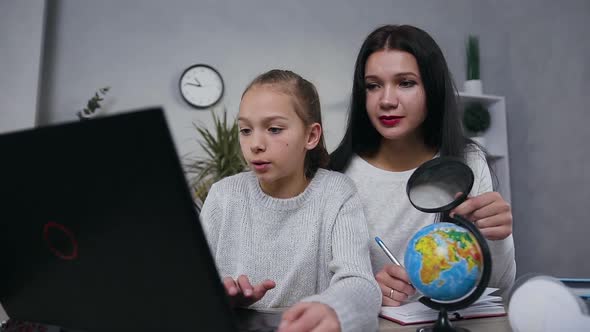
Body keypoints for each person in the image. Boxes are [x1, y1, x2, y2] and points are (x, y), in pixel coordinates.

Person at [329, 25, 516, 307]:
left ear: (433, 88)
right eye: (373, 85)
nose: (387, 101)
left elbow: (499, 287)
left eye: (405, 83)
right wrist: (365, 289)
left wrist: (499, 237)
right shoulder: (339, 174)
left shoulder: (468, 160)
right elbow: (317, 287)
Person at [200, 69, 381, 332]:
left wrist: (333, 309)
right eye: (246, 130)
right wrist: (221, 297)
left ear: (311, 136)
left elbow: (359, 283)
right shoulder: (223, 195)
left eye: (274, 129)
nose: (256, 144)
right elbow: (188, 285)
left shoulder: (336, 192)